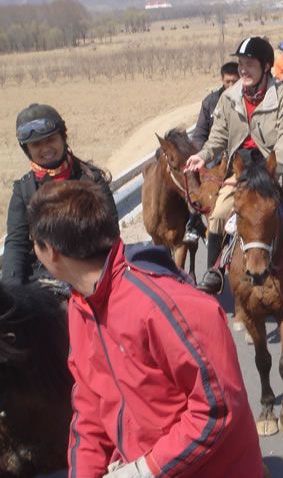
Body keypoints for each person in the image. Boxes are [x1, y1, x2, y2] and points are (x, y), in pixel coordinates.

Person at [27, 180, 266, 478]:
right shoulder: (80, 307)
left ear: (50, 251)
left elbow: (217, 407)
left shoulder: (164, 304)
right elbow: (89, 409)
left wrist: (145, 470)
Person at [184, 36, 283, 294]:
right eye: (241, 65)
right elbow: (218, 135)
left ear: (266, 67)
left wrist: (272, 171)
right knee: (216, 217)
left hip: (280, 172)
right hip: (241, 173)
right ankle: (214, 270)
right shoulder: (229, 98)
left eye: (250, 64)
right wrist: (203, 155)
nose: (243, 70)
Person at [3, 103, 117, 286]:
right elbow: (16, 244)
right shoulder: (24, 190)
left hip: (91, 272)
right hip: (44, 279)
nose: (45, 148)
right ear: (27, 150)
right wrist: (11, 293)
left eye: (50, 140)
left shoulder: (91, 179)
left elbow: (111, 234)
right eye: (36, 144)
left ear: (63, 138)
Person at [183, 62, 240, 244]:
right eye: (227, 82)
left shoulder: (244, 99)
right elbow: (199, 135)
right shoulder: (210, 102)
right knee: (194, 188)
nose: (230, 86)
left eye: (234, 82)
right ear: (222, 80)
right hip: (212, 159)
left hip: (237, 160)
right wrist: (205, 159)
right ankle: (193, 223)